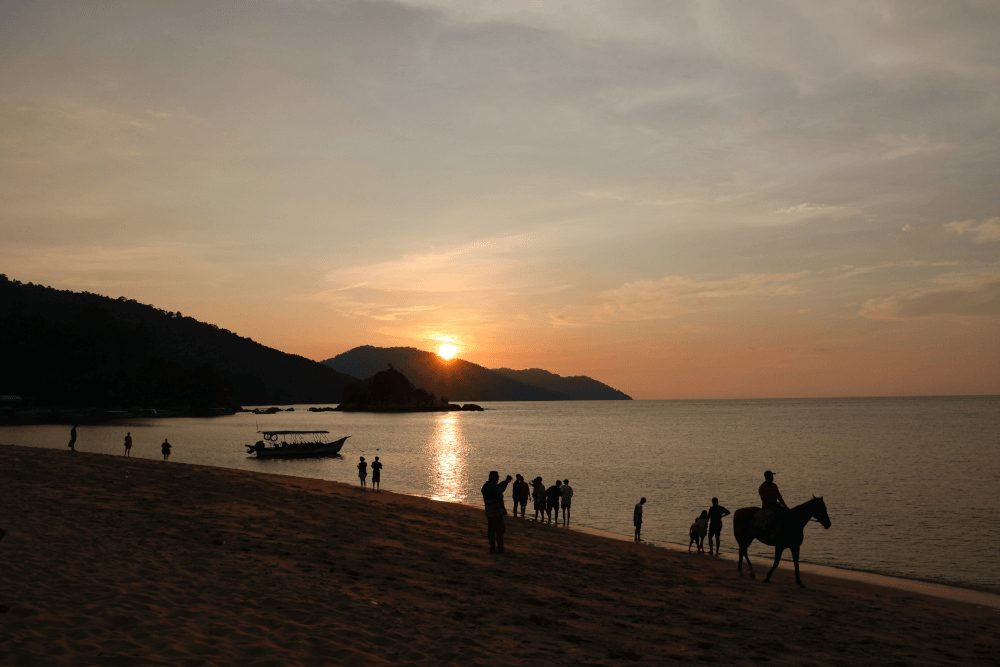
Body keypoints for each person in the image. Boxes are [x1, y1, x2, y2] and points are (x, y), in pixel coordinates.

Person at [481, 471, 512, 553]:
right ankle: (500, 547)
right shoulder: (495, 486)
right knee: (500, 529)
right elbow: (498, 499)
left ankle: (492, 546)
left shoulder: (485, 486)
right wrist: (504, 509)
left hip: (488, 511)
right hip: (496, 511)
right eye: (497, 477)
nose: (498, 478)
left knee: (491, 529)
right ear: (492, 477)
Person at [758, 470, 788, 539]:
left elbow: (779, 496)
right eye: (771, 476)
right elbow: (764, 500)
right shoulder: (762, 487)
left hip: (775, 504)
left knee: (785, 513)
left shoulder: (774, 485)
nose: (772, 477)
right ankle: (770, 531)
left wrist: (785, 506)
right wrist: (772, 507)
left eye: (772, 476)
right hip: (767, 506)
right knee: (771, 515)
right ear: (766, 477)